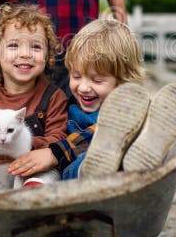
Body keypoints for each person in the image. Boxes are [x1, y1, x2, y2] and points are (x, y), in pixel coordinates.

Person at [8, 19, 145, 180]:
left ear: (123, 81)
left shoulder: (124, 109)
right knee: (73, 165)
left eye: (97, 80)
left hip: (102, 169)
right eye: (76, 76)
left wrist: (56, 152)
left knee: (94, 155)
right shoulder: (68, 104)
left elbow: (103, 133)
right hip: (73, 179)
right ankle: (98, 168)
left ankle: (143, 151)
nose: (83, 87)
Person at [0, 2, 68, 193]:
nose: (25, 54)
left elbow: (57, 138)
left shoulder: (54, 97)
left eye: (36, 47)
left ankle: (31, 197)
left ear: (47, 56)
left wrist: (24, 145)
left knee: (51, 167)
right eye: (14, 45)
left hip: (31, 171)